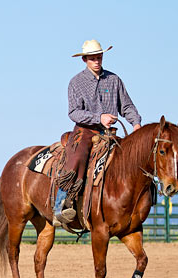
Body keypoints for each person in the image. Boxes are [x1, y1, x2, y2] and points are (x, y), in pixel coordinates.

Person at [53, 40, 141, 226]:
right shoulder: (76, 82)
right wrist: (98, 117)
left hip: (110, 133)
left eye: (99, 57)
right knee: (76, 157)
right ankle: (60, 204)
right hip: (85, 130)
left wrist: (136, 123)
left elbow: (126, 106)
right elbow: (73, 112)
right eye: (92, 58)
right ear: (84, 59)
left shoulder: (114, 80)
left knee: (134, 159)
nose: (96, 61)